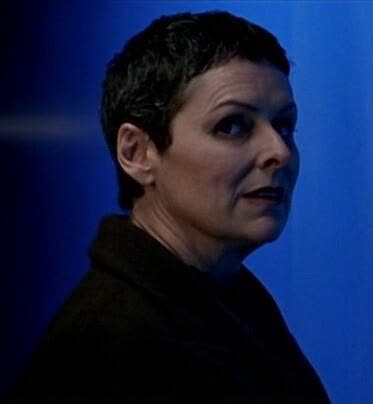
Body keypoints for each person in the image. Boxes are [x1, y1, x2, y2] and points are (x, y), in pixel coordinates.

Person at [9, 11, 330, 403]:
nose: (279, 151)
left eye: (283, 125)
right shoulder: (109, 349)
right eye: (232, 125)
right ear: (137, 152)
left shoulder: (229, 302)